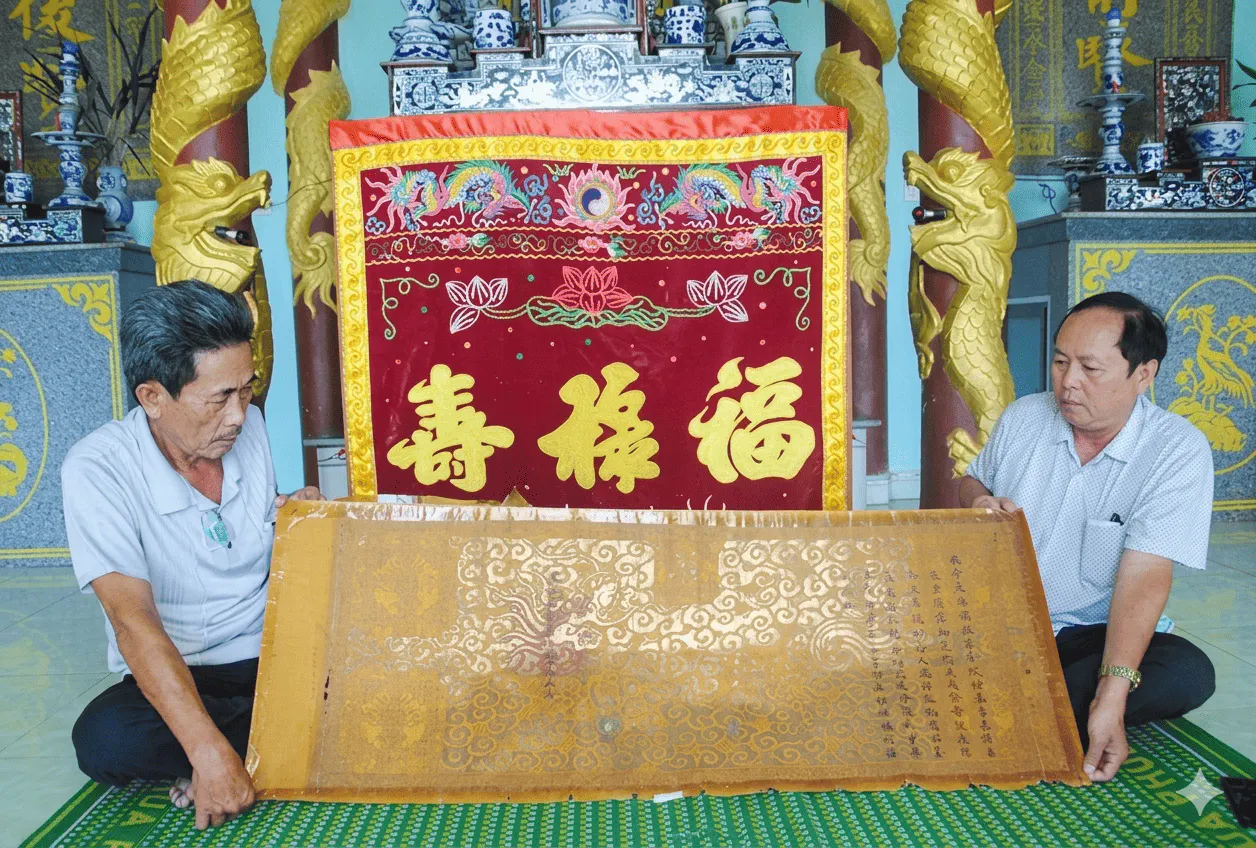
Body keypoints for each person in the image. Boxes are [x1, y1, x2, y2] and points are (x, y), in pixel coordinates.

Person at [62, 281, 323, 830]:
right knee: (105, 738)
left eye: (246, 391)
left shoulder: (248, 428)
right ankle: (250, 745)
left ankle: (244, 746)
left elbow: (252, 538)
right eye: (219, 398)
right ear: (152, 397)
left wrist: (300, 519)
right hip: (179, 675)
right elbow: (131, 621)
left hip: (274, 659)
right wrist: (206, 749)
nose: (238, 415)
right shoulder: (98, 468)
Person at [959, 291, 1215, 783]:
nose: (1068, 382)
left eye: (1090, 368)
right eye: (1060, 362)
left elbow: (1145, 576)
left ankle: (1021, 702)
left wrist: (1112, 695)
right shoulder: (1025, 417)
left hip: (1086, 637)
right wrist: (978, 503)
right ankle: (1026, 705)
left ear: (1144, 374)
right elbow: (973, 481)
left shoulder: (1176, 450)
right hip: (999, 621)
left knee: (1187, 671)